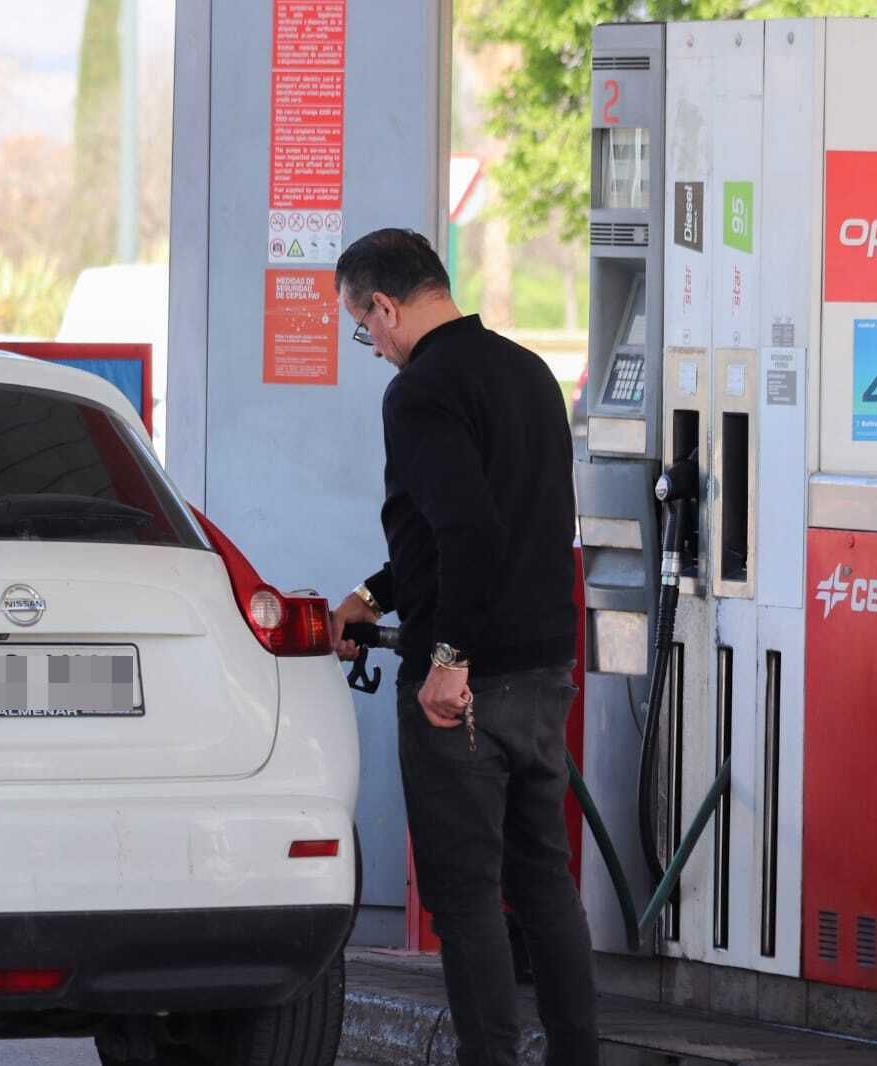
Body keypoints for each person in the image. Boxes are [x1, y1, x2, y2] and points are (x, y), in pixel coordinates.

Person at [330, 228, 598, 1066]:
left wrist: (449, 661)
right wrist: (375, 595)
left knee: (467, 896)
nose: (369, 345)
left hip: (469, 684)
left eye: (361, 326)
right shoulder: (528, 373)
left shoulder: (419, 394)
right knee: (544, 882)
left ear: (385, 306)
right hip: (545, 664)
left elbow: (468, 529)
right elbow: (499, 523)